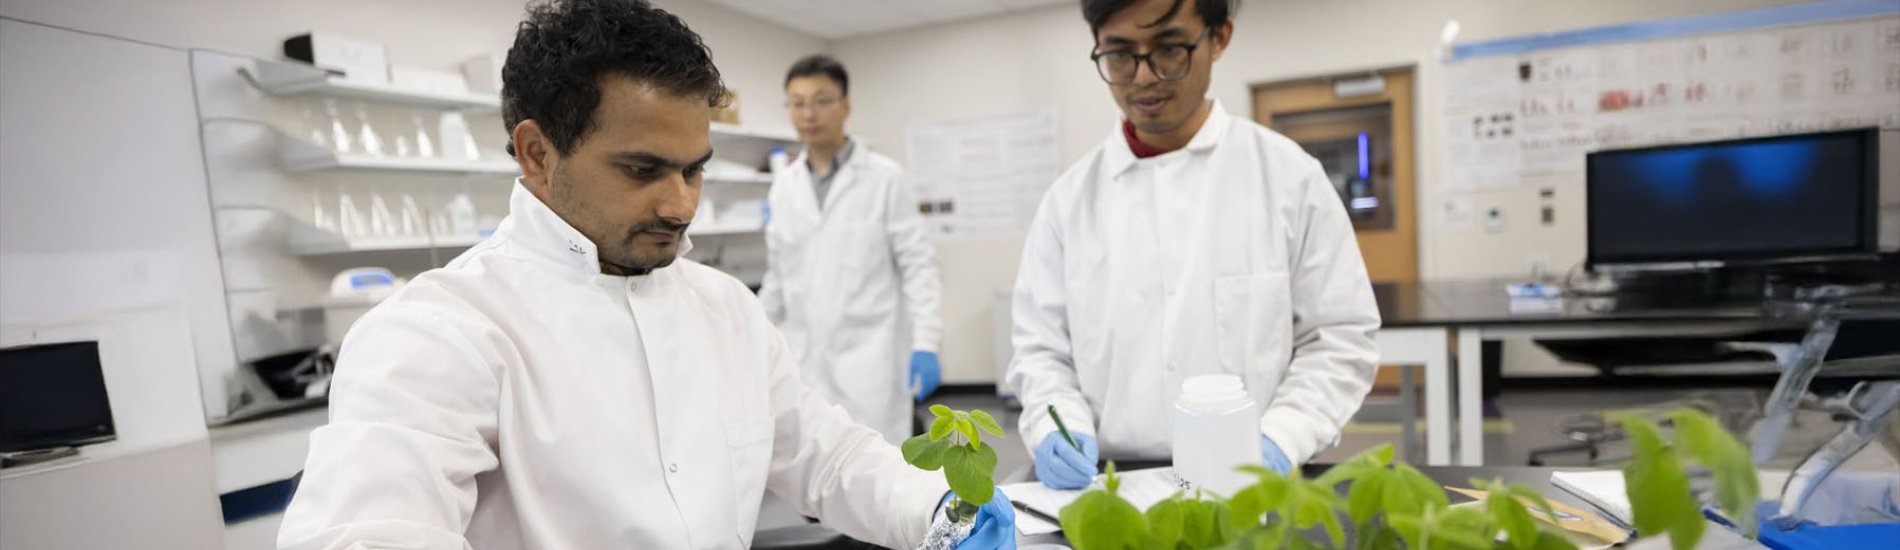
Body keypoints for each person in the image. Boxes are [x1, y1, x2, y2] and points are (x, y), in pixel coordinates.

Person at [276, 1, 1011, 547]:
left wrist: (937, 512)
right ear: (536, 154)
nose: (681, 202)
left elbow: (827, 455)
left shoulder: (723, 308)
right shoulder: (440, 332)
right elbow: (367, 530)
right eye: (642, 169)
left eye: (695, 169)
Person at [1008, 0, 1381, 489]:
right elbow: (1040, 351)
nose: (1142, 78)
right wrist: (1061, 426)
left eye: (1168, 49)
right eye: (1119, 55)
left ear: (1218, 37)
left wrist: (1282, 438)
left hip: (1251, 481)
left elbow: (1339, 337)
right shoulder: (1068, 202)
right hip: (1108, 485)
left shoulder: (1290, 178)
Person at [762, 54, 943, 443]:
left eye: (821, 100)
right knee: (814, 482)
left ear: (846, 106)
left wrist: (926, 342)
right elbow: (778, 276)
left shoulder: (885, 178)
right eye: (798, 103)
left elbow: (918, 266)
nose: (809, 113)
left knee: (879, 483)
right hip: (805, 362)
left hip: (872, 361)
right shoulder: (783, 187)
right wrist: (753, 336)